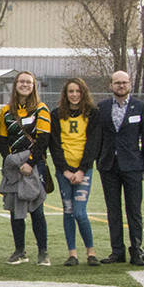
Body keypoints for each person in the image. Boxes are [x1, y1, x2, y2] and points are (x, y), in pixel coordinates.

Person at [95, 70, 144, 266]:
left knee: (134, 210)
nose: (121, 86)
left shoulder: (141, 107)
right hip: (109, 165)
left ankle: (136, 250)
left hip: (132, 166)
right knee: (113, 210)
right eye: (117, 83)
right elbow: (97, 137)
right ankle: (117, 251)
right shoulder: (101, 107)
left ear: (130, 85)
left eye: (124, 82)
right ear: (111, 85)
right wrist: (99, 160)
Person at [0, 71, 51, 266]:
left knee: (37, 210)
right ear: (15, 84)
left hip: (34, 166)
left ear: (34, 86)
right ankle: (20, 250)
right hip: (14, 167)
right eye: (21, 81)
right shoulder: (6, 111)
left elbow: (43, 139)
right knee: (15, 210)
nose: (25, 85)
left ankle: (43, 252)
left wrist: (30, 162)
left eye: (29, 82)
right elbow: (2, 139)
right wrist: (13, 162)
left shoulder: (41, 109)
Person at [49, 79, 101, 267]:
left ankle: (91, 252)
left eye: (77, 91)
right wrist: (64, 170)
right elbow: (54, 145)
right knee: (68, 211)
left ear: (83, 93)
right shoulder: (56, 115)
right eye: (70, 91)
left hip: (83, 171)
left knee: (80, 212)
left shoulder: (93, 114)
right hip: (64, 172)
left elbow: (93, 144)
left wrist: (81, 170)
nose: (74, 95)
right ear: (65, 94)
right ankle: (72, 254)